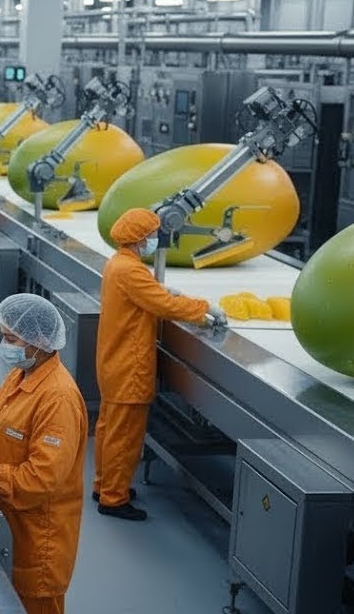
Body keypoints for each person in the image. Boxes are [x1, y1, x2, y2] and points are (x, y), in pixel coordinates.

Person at [0, 293, 87, 614]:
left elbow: (43, 478)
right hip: (9, 519)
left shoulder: (58, 399)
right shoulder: (22, 373)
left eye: (11, 337)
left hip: (39, 539)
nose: (4, 343)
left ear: (39, 340)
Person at [93, 208, 220, 521]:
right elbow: (164, 306)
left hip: (112, 363)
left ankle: (104, 484)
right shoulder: (131, 271)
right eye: (151, 234)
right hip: (129, 368)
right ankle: (113, 499)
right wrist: (205, 307)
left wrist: (162, 289)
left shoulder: (119, 263)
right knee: (124, 437)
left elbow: (146, 296)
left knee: (109, 430)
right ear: (140, 239)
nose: (155, 239)